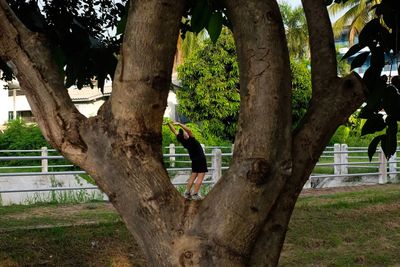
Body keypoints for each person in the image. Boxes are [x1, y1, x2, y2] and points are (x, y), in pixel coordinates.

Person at [166, 121, 208, 200]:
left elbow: (174, 131)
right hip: (201, 159)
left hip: (194, 160)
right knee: (200, 177)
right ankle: (195, 194)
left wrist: (169, 124)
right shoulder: (191, 140)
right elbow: (189, 130)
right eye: (185, 133)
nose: (185, 132)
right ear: (185, 136)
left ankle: (187, 193)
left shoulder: (183, 141)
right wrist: (179, 124)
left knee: (193, 176)